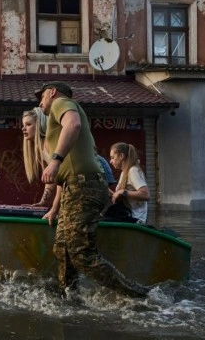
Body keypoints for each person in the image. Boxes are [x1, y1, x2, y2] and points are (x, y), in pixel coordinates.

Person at [36, 81, 149, 298]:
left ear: (52, 92)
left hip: (84, 185)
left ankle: (138, 295)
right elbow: (67, 173)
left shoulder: (61, 102)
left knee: (80, 253)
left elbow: (74, 125)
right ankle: (69, 296)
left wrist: (55, 161)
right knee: (63, 248)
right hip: (74, 186)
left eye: (41, 97)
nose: (40, 103)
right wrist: (54, 208)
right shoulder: (55, 120)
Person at [21, 108, 61, 225]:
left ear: (40, 125)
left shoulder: (50, 143)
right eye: (23, 125)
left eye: (28, 124)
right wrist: (43, 201)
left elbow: (62, 177)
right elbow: (51, 179)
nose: (23, 128)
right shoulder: (39, 149)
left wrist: (55, 208)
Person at [107, 142, 150, 224]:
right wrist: (110, 193)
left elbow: (146, 195)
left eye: (112, 157)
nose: (110, 161)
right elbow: (125, 198)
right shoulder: (124, 172)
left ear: (121, 156)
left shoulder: (133, 170)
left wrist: (123, 192)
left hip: (134, 219)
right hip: (126, 215)